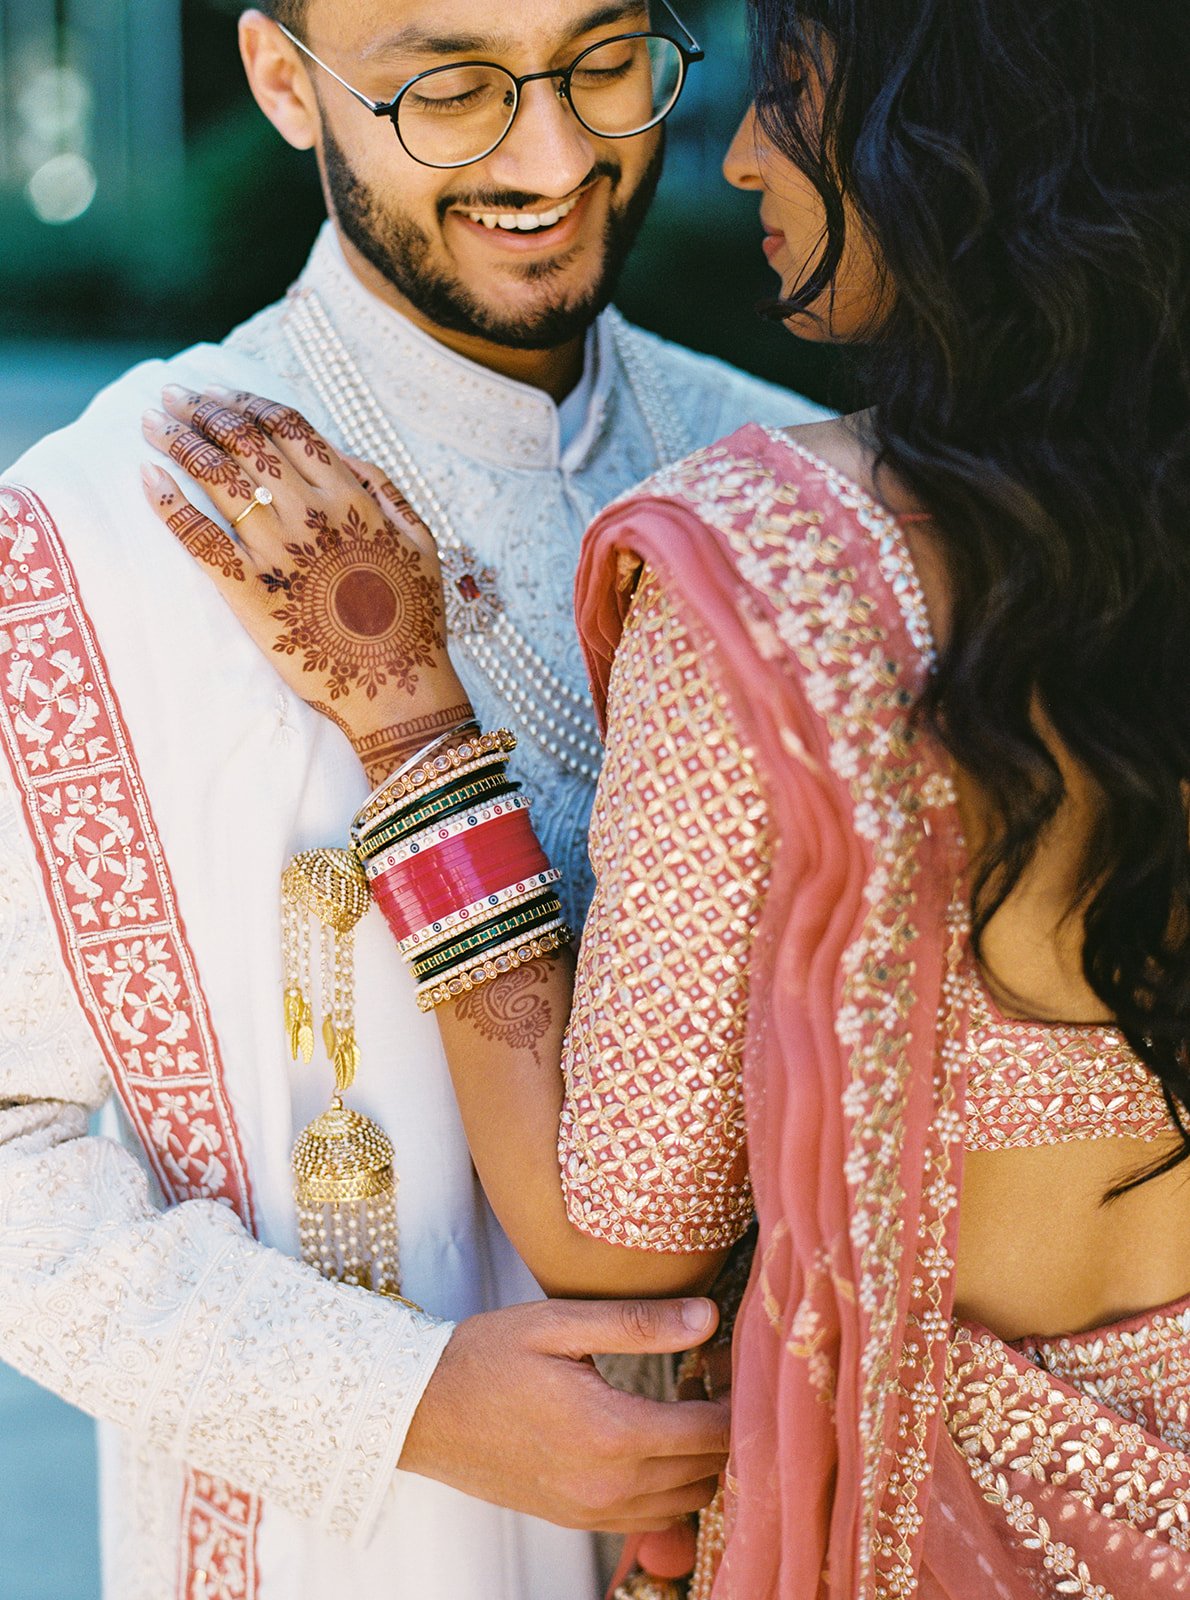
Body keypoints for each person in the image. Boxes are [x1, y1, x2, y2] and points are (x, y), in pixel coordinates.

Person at [153, 0, 1190, 1594]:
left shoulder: (776, 557)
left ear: (948, 153)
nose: (743, 151)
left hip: (917, 1537)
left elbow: (610, 1233)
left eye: (784, 95)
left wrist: (412, 726)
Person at [0, 3, 827, 1598]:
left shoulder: (784, 473)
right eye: (447, 86)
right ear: (279, 82)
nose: (552, 152)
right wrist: (401, 1404)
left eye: (602, 63)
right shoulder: (92, 538)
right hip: (334, 1547)